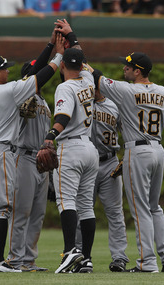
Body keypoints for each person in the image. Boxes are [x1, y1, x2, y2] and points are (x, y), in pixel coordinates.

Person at [0, 39, 63, 272]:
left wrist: (50, 45)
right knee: (1, 208)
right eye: (4, 68)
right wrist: (57, 56)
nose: (7, 71)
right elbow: (38, 76)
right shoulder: (9, 91)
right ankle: (1, 262)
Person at [91, 51, 164, 273]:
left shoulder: (126, 90)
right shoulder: (163, 91)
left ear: (137, 71)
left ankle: (147, 263)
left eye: (128, 66)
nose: (124, 69)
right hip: (158, 150)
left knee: (141, 209)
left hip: (137, 150)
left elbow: (97, 77)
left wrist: (72, 41)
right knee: (154, 207)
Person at [6, 29, 64, 272]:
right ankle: (13, 259)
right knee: (21, 212)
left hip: (41, 163)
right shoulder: (19, 95)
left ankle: (28, 260)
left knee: (37, 214)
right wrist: (55, 52)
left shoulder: (42, 101)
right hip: (23, 158)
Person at [44, 19, 99, 274]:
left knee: (66, 203)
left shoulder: (65, 86)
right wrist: (72, 37)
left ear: (62, 64)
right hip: (90, 149)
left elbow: (63, 116)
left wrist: (49, 137)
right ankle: (85, 259)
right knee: (86, 206)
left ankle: (69, 254)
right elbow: (83, 61)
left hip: (71, 148)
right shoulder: (88, 79)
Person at [75, 89, 130, 272]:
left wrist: (126, 157)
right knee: (82, 211)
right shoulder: (81, 104)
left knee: (115, 213)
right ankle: (79, 256)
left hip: (109, 161)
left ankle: (119, 258)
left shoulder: (114, 105)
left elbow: (127, 131)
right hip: (86, 163)